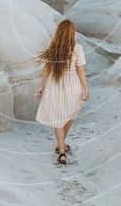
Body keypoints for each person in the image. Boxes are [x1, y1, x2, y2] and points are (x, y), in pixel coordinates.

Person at [35, 19, 89, 164]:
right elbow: (80, 70)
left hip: (54, 86)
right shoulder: (77, 48)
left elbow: (46, 69)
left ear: (58, 32)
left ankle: (62, 151)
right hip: (72, 86)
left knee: (58, 120)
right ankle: (61, 146)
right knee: (69, 115)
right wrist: (85, 88)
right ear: (72, 33)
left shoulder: (52, 47)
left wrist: (41, 86)